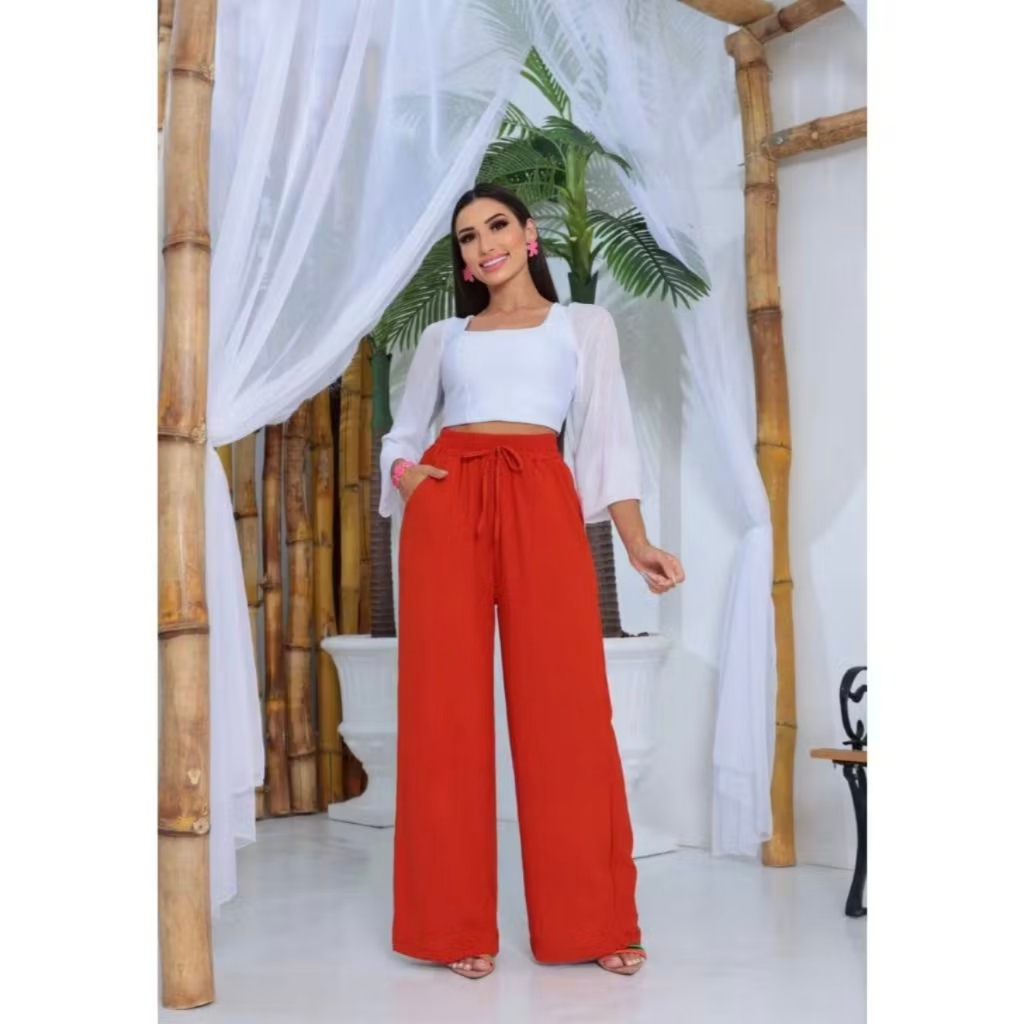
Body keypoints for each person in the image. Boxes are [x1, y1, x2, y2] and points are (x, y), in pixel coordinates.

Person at [378, 182, 685, 980]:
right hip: (449, 500)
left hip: (543, 495)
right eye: (468, 236)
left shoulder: (583, 325)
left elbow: (607, 439)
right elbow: (402, 437)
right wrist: (413, 481)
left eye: (496, 226)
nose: (484, 244)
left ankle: (594, 920)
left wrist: (638, 542)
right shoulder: (445, 336)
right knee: (443, 715)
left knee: (568, 710)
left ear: (528, 234)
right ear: (464, 260)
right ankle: (451, 927)